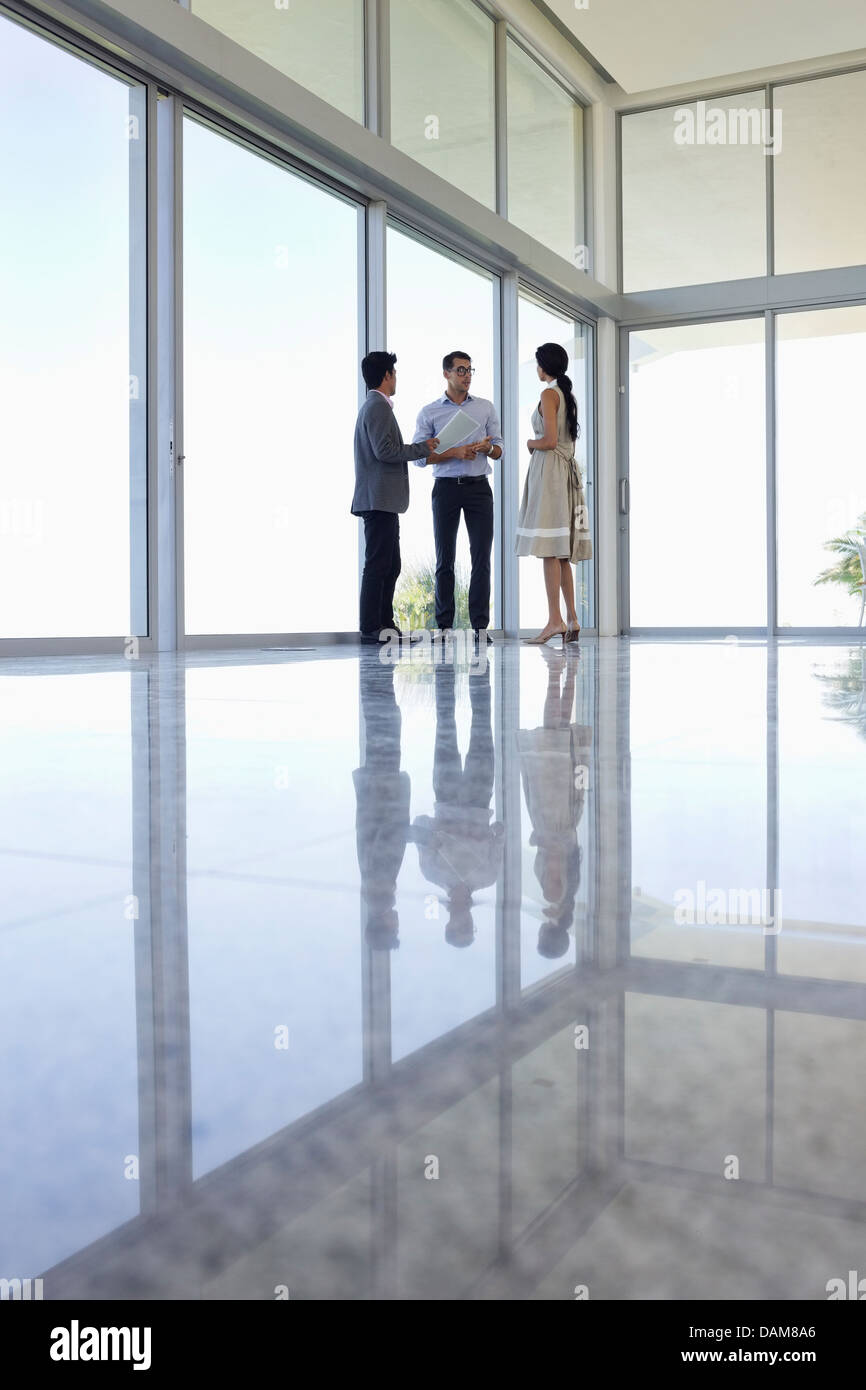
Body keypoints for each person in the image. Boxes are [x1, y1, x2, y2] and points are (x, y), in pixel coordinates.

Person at [410, 660, 504, 947]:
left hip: (447, 793)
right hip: (478, 796)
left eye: (458, 927)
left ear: (449, 925)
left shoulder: (432, 873)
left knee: (445, 722)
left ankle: (444, 668)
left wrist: (437, 834)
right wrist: (489, 834)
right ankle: (480, 667)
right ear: (473, 925)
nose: (464, 921)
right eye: (468, 927)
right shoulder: (489, 877)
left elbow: (419, 825)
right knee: (481, 724)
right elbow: (501, 830)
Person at [413, 351, 503, 641]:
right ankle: (444, 628)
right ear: (447, 374)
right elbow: (418, 458)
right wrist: (454, 452)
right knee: (445, 560)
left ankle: (479, 628)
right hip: (446, 489)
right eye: (461, 370)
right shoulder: (430, 412)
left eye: (470, 370)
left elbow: (500, 449)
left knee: (481, 558)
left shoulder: (485, 408)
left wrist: (487, 448)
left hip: (479, 488)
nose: (467, 375)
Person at [352, 351, 439, 644]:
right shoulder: (377, 407)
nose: (396, 378)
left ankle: (384, 626)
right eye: (395, 373)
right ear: (387, 375)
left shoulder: (377, 406)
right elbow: (385, 451)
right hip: (378, 499)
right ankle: (371, 628)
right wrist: (421, 448)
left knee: (390, 564)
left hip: (383, 500)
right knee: (378, 564)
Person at [517, 647, 592, 959]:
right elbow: (554, 851)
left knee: (560, 733)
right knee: (553, 732)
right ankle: (556, 671)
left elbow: (562, 851)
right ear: (548, 934)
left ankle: (566, 671)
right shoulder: (555, 894)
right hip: (552, 810)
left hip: (563, 811)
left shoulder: (565, 894)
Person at [516, 342, 592, 646]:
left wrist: (529, 444)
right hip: (564, 473)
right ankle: (570, 618)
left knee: (548, 549)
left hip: (550, 475)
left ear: (544, 366)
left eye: (537, 363)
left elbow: (547, 440)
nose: (536, 369)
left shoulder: (549, 394)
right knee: (560, 553)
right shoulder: (567, 395)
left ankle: (554, 621)